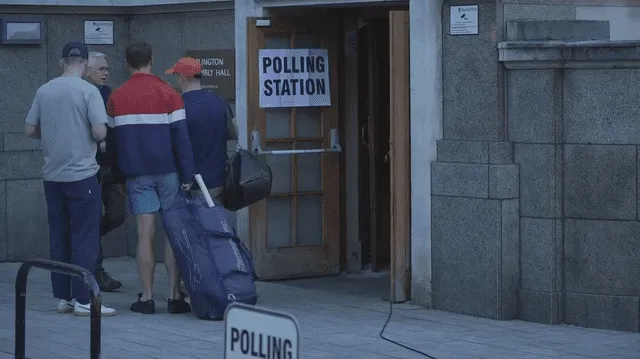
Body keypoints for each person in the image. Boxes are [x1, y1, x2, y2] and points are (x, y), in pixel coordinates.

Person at [24, 41, 116, 316]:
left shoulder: (44, 90)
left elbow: (30, 130)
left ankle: (63, 297)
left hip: (52, 175)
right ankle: (84, 300)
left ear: (61, 61)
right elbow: (100, 133)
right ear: (85, 64)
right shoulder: (89, 91)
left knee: (60, 236)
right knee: (84, 237)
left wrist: (54, 133)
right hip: (82, 174)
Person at [107, 42, 195, 315]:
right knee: (171, 231)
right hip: (168, 172)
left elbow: (112, 144)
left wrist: (119, 176)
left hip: (137, 174)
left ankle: (146, 298)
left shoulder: (116, 97)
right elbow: (182, 139)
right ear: (152, 60)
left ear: (127, 63)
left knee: (145, 234)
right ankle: (172, 297)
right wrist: (188, 174)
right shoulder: (170, 93)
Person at [165, 57, 238, 203]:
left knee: (196, 224)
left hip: (190, 183)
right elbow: (234, 133)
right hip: (220, 181)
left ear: (182, 77)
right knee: (217, 223)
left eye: (176, 75)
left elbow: (171, 144)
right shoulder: (220, 101)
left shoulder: (178, 107)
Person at [84, 51, 125, 292]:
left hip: (109, 167)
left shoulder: (108, 93)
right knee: (89, 220)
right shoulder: (79, 93)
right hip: (86, 167)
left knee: (117, 214)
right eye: (101, 69)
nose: (106, 73)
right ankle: (96, 271)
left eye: (107, 68)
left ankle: (86, 238)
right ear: (86, 70)